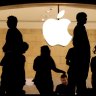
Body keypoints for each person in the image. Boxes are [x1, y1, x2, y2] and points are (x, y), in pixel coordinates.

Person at [0, 16, 27, 96]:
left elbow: (7, 46)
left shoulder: (11, 31)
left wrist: (6, 50)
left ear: (12, 22)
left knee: (6, 81)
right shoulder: (17, 33)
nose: (7, 23)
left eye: (8, 21)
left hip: (10, 62)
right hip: (13, 61)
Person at [72, 12, 90, 95]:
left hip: (83, 57)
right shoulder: (79, 28)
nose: (86, 19)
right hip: (82, 58)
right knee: (81, 78)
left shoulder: (80, 28)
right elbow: (80, 44)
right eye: (85, 17)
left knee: (82, 79)